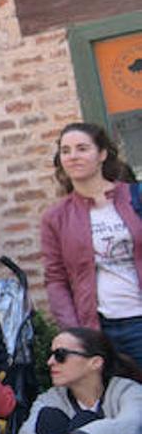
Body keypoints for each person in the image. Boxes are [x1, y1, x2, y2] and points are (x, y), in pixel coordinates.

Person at [40, 122, 142, 363]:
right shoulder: (56, 217)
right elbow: (56, 279)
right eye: (66, 151)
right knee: (113, 399)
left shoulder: (135, 197)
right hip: (98, 329)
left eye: (82, 148)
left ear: (102, 154)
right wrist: (75, 332)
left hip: (139, 319)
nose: (73, 156)